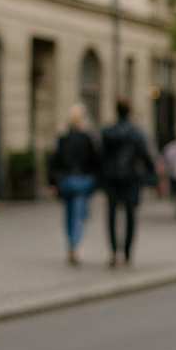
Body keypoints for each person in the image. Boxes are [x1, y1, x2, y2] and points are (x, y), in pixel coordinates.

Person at [100, 98, 156, 267]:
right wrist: (151, 176)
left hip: (112, 178)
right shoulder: (136, 132)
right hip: (131, 178)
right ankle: (127, 252)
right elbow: (145, 155)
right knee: (131, 215)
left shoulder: (108, 132)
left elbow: (101, 157)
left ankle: (113, 251)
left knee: (111, 215)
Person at [48, 105, 100, 265]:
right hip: (82, 181)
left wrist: (53, 182)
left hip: (67, 181)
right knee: (79, 214)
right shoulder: (86, 139)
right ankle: (74, 246)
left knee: (70, 214)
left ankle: (71, 244)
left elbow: (55, 161)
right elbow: (95, 161)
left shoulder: (63, 139)